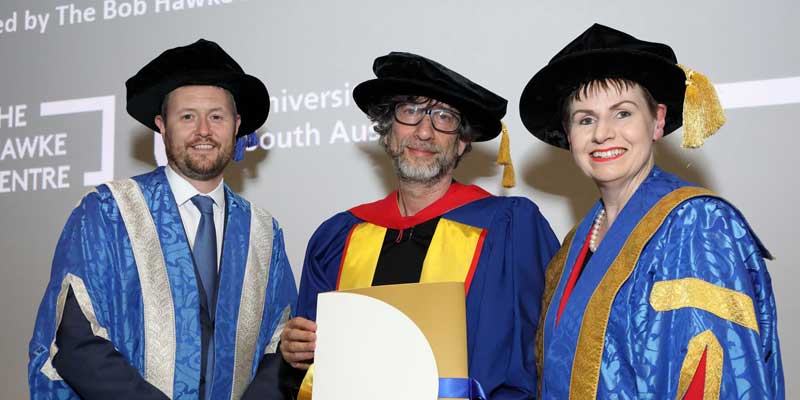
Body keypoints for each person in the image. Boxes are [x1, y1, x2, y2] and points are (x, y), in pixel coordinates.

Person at [519, 24, 784, 399]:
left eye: (622, 113)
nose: (602, 134)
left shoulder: (697, 225)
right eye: (585, 119)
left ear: (657, 121)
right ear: (569, 134)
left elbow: (712, 380)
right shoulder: (573, 247)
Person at [280, 52, 559, 399]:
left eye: (444, 117)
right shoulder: (336, 238)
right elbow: (315, 369)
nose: (424, 131)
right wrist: (296, 350)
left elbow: (550, 349)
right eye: (410, 111)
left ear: (460, 142)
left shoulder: (511, 229)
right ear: (388, 131)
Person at [28, 39, 297, 400]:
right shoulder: (108, 212)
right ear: (162, 125)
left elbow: (283, 346)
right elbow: (78, 342)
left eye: (216, 116)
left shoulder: (263, 232)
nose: (203, 130)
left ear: (236, 125)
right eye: (187, 116)